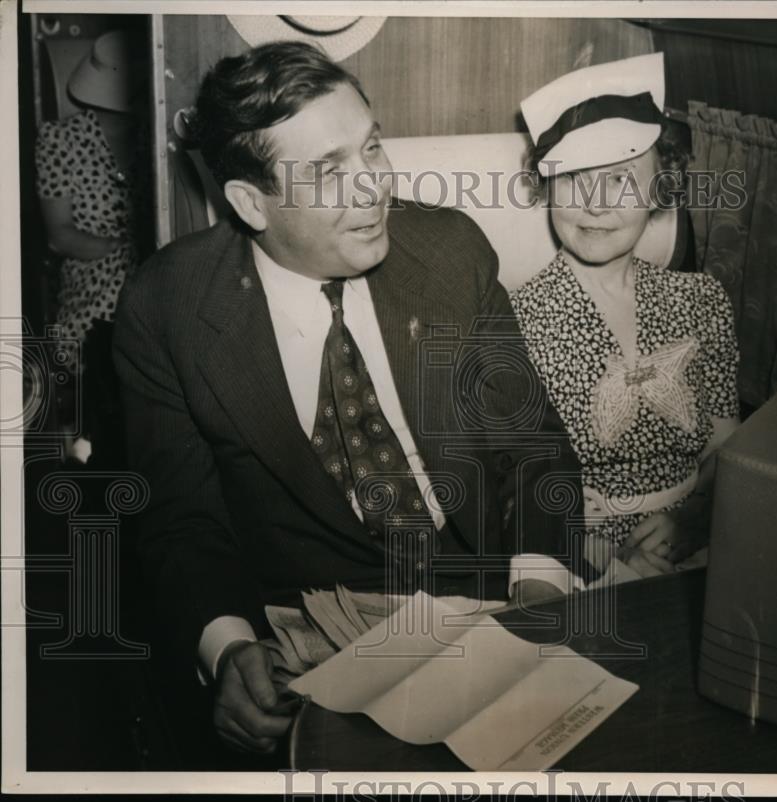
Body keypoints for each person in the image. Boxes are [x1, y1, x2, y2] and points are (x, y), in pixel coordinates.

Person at [112, 41, 588, 758]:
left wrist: (541, 586)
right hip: (311, 636)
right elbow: (182, 522)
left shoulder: (452, 251)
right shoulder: (166, 309)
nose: (374, 189)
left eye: (371, 149)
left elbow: (534, 448)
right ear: (250, 203)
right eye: (328, 172)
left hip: (491, 606)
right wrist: (228, 646)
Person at [511, 53, 740, 578]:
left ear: (661, 189)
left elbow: (726, 447)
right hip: (573, 564)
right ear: (545, 188)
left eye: (620, 181)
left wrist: (694, 519)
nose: (595, 204)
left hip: (702, 538)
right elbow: (520, 494)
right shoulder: (512, 321)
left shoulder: (702, 300)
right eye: (574, 180)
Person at [35, 30, 149, 465]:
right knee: (100, 348)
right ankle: (90, 446)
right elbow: (59, 235)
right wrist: (125, 250)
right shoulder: (58, 140)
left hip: (150, 272)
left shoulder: (154, 134)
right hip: (92, 278)